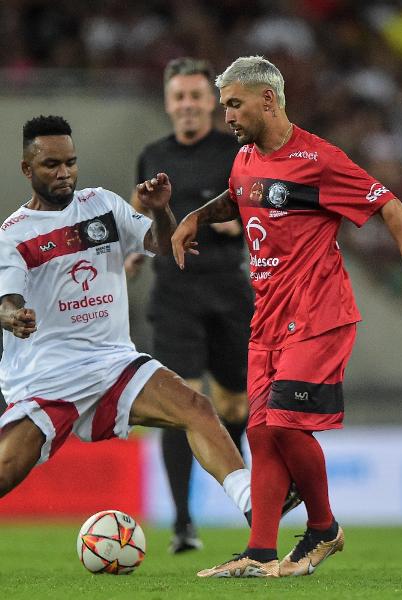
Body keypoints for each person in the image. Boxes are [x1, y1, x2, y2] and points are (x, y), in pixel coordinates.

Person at [171, 56, 402, 578]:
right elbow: (240, 198)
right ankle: (260, 551)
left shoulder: (319, 158)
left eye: (233, 104)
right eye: (223, 104)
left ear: (267, 100)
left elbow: (389, 205)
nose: (224, 115)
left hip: (317, 312)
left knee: (287, 425)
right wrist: (195, 218)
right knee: (260, 431)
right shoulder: (246, 159)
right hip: (266, 319)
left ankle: (324, 529)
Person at [0, 115, 256, 522]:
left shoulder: (101, 205)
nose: (65, 173)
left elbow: (160, 242)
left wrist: (160, 210)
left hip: (113, 363)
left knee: (196, 407)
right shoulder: (14, 234)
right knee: (6, 472)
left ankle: (253, 504)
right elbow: (6, 300)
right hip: (47, 375)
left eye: (70, 162)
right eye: (52, 165)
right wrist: (13, 318)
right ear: (27, 170)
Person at [127, 57, 254, 553]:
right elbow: (139, 212)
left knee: (233, 402)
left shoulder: (237, 152)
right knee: (181, 402)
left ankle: (237, 478)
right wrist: (133, 252)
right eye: (178, 96)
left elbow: (268, 210)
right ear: (168, 102)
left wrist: (236, 222)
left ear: (213, 103)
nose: (187, 105)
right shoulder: (153, 155)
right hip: (174, 292)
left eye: (196, 96)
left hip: (228, 289)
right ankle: (182, 523)